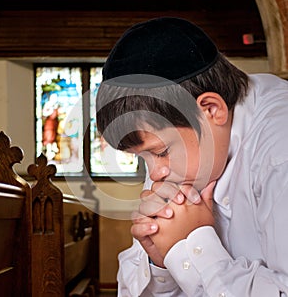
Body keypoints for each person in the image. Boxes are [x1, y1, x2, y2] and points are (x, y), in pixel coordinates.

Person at [95, 16, 288, 296]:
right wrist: (160, 263)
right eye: (143, 158)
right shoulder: (175, 147)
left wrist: (195, 244)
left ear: (211, 109)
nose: (156, 174)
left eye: (161, 152)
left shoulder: (279, 153)